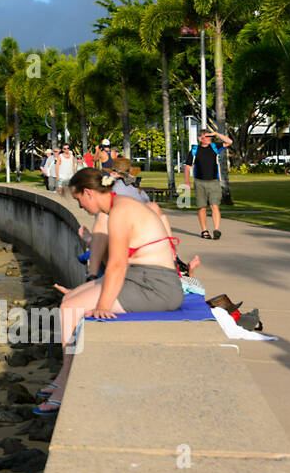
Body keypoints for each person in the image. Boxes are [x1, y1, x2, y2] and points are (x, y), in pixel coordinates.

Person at [34, 167, 184, 415]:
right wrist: (83, 291)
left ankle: (65, 388)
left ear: (89, 193)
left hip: (156, 287)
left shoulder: (120, 212)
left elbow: (116, 264)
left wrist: (102, 305)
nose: (80, 206)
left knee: (71, 308)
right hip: (141, 278)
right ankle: (63, 376)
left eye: (79, 198)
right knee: (71, 298)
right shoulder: (119, 206)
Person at [184, 128, 232, 239]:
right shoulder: (194, 150)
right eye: (207, 136)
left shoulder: (215, 147)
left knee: (214, 205)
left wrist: (216, 133)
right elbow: (187, 167)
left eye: (211, 136)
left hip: (214, 182)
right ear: (201, 138)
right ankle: (204, 230)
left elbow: (229, 142)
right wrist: (187, 181)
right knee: (202, 207)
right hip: (199, 182)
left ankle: (216, 229)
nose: (210, 138)